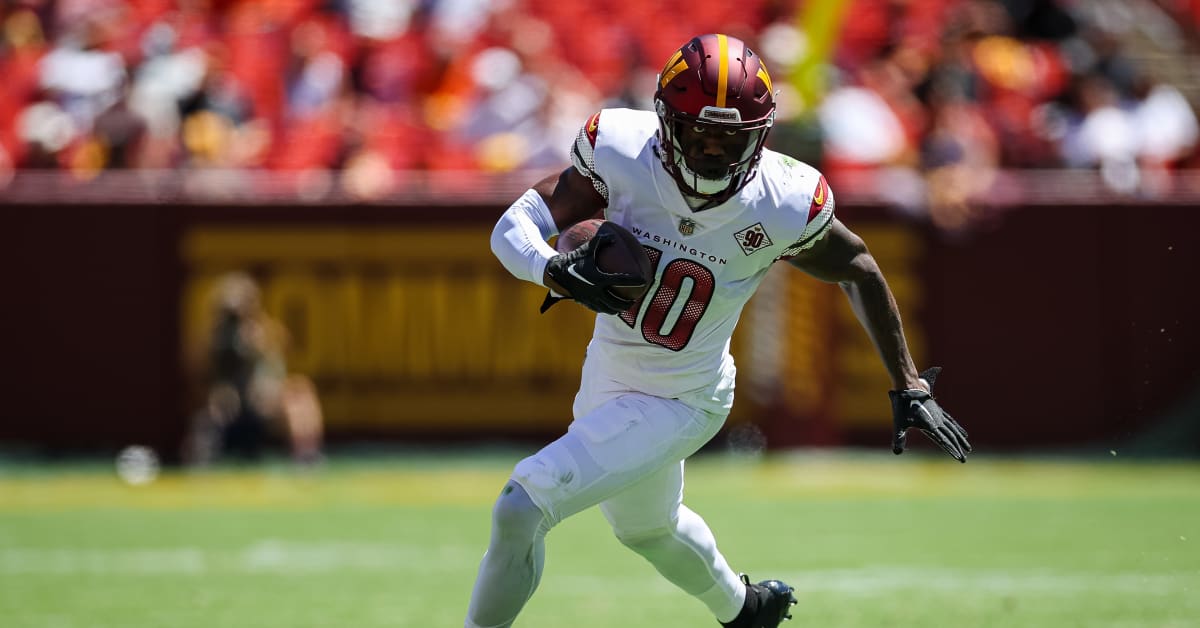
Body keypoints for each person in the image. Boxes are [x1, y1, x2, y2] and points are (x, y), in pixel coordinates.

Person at [472, 33, 972, 628]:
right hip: (611, 370)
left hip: (685, 396)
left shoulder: (783, 200)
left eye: (730, 137)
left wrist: (908, 381)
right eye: (698, 131)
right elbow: (517, 223)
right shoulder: (621, 150)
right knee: (648, 529)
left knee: (523, 503)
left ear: (759, 134)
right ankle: (746, 610)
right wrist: (549, 266)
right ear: (664, 122)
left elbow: (858, 267)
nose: (712, 149)